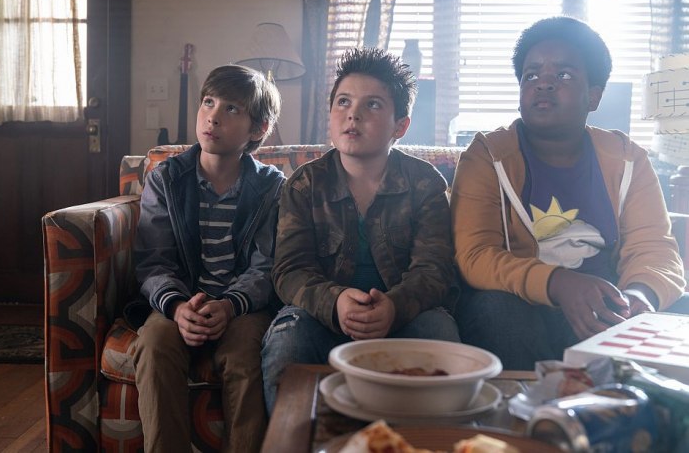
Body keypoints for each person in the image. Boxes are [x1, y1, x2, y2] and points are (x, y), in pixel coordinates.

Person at [451, 16, 688, 371]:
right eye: (531, 75)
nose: (543, 83)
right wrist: (558, 283)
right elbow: (475, 256)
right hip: (525, 306)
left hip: (608, 307)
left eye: (563, 75)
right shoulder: (488, 155)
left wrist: (640, 296)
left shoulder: (628, 159)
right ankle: (535, 404)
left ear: (593, 96)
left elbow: (654, 247)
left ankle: (630, 399)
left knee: (679, 307)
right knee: (494, 308)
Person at [261, 47, 461, 413]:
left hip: (404, 317)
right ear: (330, 115)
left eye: (372, 105)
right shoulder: (305, 184)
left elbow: (434, 270)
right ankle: (293, 435)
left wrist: (394, 307)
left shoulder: (424, 183)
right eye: (343, 102)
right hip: (321, 317)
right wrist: (335, 301)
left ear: (400, 126)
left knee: (439, 331)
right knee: (288, 339)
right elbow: (289, 270)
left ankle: (430, 437)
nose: (353, 114)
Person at [129, 64, 285, 452]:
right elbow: (154, 259)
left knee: (247, 354)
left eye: (231, 109)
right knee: (154, 343)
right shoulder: (166, 178)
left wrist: (230, 305)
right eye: (209, 103)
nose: (213, 117)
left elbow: (267, 265)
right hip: (180, 301)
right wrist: (177, 306)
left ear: (258, 128)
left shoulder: (271, 188)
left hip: (242, 308)